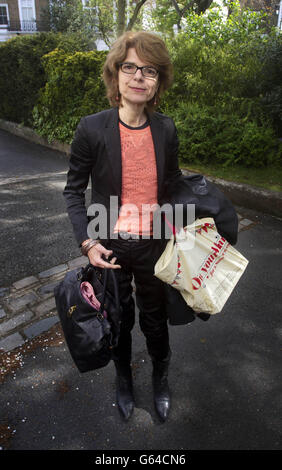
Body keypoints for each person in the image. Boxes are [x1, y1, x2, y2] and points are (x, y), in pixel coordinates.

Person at [63, 31, 182, 422]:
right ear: (115, 74)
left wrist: (182, 230)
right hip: (110, 244)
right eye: (129, 66)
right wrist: (87, 242)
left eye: (149, 70)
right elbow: (73, 191)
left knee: (155, 317)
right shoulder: (92, 129)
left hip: (154, 245)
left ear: (158, 82)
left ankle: (160, 375)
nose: (138, 76)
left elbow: (173, 187)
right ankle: (123, 377)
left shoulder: (165, 130)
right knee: (118, 319)